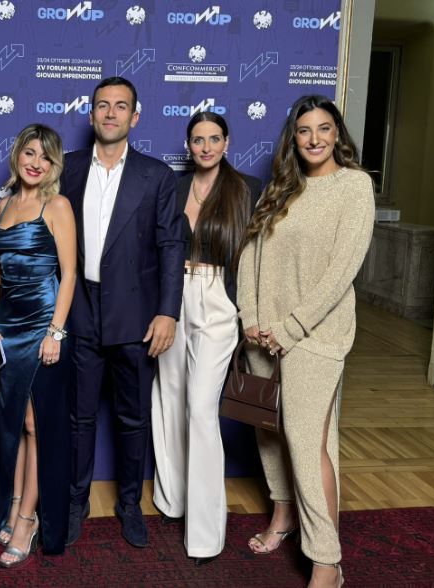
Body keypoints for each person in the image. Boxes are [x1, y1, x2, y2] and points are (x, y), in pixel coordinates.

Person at [236, 94, 374, 588]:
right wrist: (251, 317)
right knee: (269, 431)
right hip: (264, 334)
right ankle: (282, 516)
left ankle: (326, 562)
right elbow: (250, 253)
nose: (314, 139)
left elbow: (342, 271)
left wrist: (292, 328)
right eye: (304, 130)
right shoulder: (281, 187)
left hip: (316, 335)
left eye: (324, 128)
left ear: (338, 133)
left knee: (306, 441)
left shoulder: (354, 186)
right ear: (293, 139)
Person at [62, 77, 184, 548]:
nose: (110, 113)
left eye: (120, 106)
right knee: (79, 417)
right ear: (91, 113)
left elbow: (171, 245)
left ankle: (129, 503)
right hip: (80, 309)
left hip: (136, 315)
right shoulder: (67, 167)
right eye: (102, 105)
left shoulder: (157, 176)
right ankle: (76, 501)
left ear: (135, 116)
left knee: (133, 419)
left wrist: (168, 312)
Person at [151, 112, 262, 565]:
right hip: (173, 295)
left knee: (200, 408)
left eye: (214, 138)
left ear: (227, 142)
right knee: (169, 397)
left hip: (218, 300)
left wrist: (251, 311)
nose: (206, 147)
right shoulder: (174, 187)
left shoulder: (247, 188)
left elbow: (257, 257)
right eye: (198, 140)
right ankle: (173, 500)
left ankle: (204, 533)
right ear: (188, 144)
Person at [0, 124, 77, 566]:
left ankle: (27, 519)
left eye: (46, 157)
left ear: (54, 165)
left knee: (37, 426)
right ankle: (16, 500)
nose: (36, 163)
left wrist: (56, 331)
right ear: (17, 154)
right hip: (8, 328)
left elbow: (69, 273)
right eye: (30, 153)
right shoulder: (1, 205)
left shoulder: (57, 205)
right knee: (18, 422)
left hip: (42, 326)